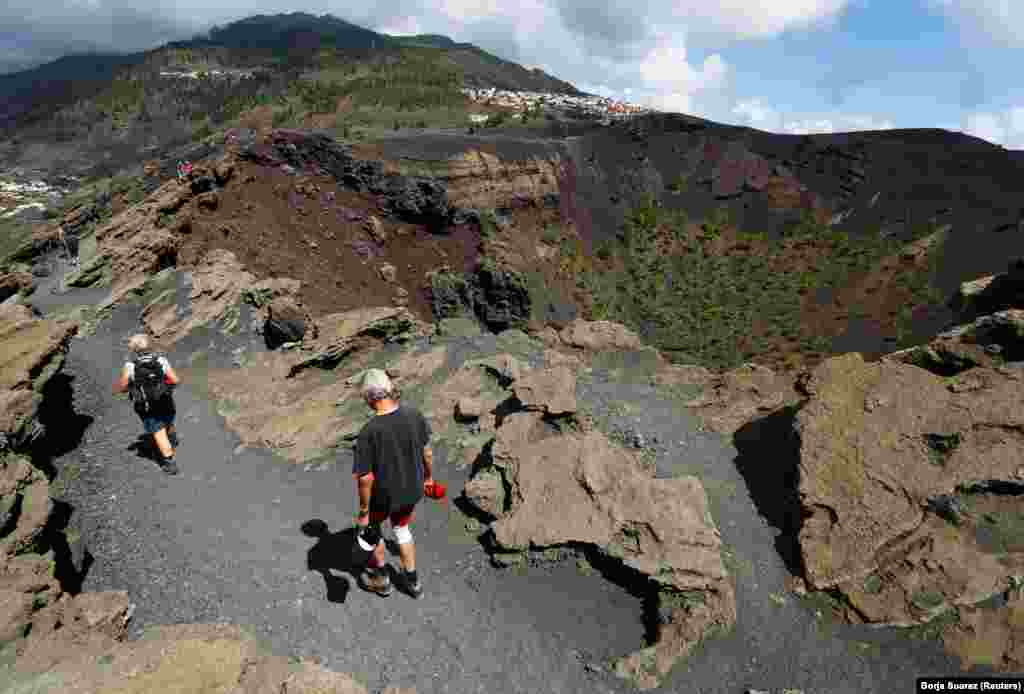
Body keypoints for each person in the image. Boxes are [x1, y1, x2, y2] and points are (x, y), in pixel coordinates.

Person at [352, 369, 434, 598]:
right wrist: (428, 478)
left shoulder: (369, 432)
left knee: (372, 530)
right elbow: (427, 452)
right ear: (388, 389)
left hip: (384, 497)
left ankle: (381, 579)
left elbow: (366, 478)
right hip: (413, 489)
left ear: (368, 398)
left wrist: (364, 510)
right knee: (402, 529)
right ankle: (413, 581)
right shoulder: (414, 415)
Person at [112, 334, 182, 475]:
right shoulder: (161, 360)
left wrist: (123, 389)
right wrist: (165, 389)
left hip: (146, 405)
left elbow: (123, 386)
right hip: (165, 400)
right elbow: (175, 380)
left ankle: (169, 463)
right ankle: (172, 436)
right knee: (167, 420)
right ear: (150, 345)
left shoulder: (130, 366)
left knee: (158, 431)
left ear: (133, 349)